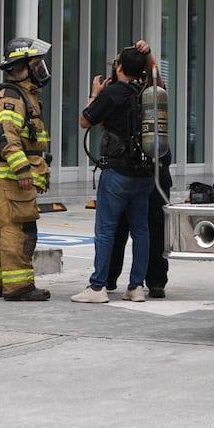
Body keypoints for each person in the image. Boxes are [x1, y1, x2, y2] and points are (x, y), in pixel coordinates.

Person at [72, 41, 161, 304]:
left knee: (106, 230)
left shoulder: (111, 94)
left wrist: (95, 93)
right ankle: (136, 287)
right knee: (141, 231)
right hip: (145, 173)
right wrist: (149, 56)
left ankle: (98, 287)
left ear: (119, 67)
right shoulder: (149, 91)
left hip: (117, 174)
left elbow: (85, 120)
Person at [0, 36, 53, 301]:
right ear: (20, 68)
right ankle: (18, 286)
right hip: (12, 177)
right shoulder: (12, 97)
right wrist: (23, 170)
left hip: (11, 177)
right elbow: (5, 134)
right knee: (19, 230)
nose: (40, 70)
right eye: (35, 64)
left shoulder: (24, 95)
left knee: (3, 228)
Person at [107, 148, 172, 299]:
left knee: (152, 228)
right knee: (127, 228)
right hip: (136, 166)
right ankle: (111, 277)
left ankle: (155, 280)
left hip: (149, 166)